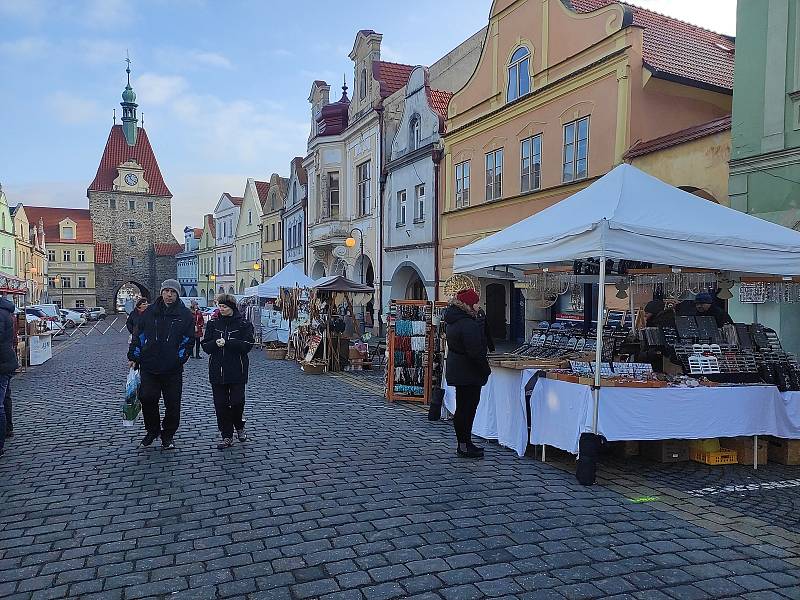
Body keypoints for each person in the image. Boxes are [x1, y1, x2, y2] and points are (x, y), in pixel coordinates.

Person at [127, 279, 194, 450]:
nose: (169, 295)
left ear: (177, 294)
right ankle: (152, 430)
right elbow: (139, 336)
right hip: (149, 364)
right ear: (161, 293)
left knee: (172, 403)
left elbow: (188, 340)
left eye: (172, 292)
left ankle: (168, 434)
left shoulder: (184, 314)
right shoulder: (150, 312)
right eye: (166, 291)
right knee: (147, 397)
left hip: (172, 368)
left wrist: (179, 358)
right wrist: (134, 356)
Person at [201, 294, 255, 449]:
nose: (221, 309)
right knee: (221, 404)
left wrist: (229, 343)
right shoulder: (213, 324)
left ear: (231, 307)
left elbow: (247, 345)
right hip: (217, 370)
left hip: (237, 370)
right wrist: (214, 344)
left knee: (237, 402)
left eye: (224, 306)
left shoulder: (244, 324)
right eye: (220, 306)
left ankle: (239, 424)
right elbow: (205, 346)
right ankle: (226, 435)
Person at [443, 288, 491, 459]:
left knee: (463, 407)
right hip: (468, 370)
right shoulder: (467, 323)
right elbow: (475, 351)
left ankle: (464, 443)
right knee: (467, 408)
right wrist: (485, 370)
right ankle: (464, 445)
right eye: (477, 303)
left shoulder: (454, 319)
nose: (479, 306)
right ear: (470, 304)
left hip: (458, 367)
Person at [0, 297, 19, 458]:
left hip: (3, 362)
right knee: (5, 397)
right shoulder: (8, 313)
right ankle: (8, 428)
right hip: (7, 360)